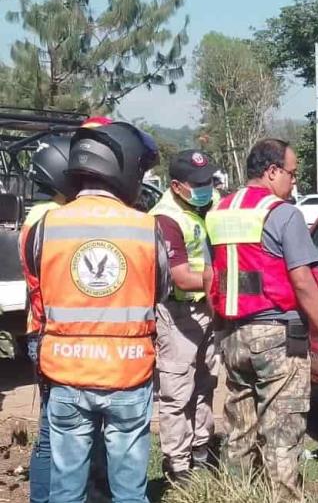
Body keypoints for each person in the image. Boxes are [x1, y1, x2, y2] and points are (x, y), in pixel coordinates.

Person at [21, 121, 169, 502]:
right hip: (128, 372)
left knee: (65, 489)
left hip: (67, 374)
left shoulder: (46, 224)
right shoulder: (146, 226)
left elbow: (38, 286)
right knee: (129, 493)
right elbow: (162, 290)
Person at [205, 138, 318, 500]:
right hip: (277, 334)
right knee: (282, 431)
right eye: (292, 174)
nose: (294, 183)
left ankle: (236, 494)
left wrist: (220, 330)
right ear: (271, 172)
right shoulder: (282, 213)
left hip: (233, 334)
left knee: (240, 428)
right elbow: (302, 280)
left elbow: (212, 278)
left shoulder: (219, 210)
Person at [150, 150, 218, 482]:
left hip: (207, 308)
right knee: (176, 391)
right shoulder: (166, 217)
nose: (207, 187)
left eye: (209, 180)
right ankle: (177, 465)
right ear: (177, 186)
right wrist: (226, 282)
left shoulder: (208, 204)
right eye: (199, 183)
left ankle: (202, 451)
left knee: (205, 384)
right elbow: (179, 276)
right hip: (179, 313)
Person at [20, 134, 73, 503]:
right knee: (53, 430)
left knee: (58, 427)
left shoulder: (43, 214)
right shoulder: (50, 218)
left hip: (44, 328)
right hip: (50, 331)